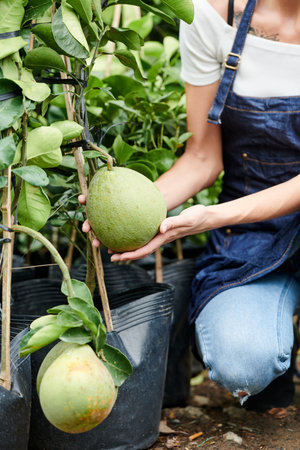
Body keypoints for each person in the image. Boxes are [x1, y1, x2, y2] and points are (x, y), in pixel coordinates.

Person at [80, 0, 300, 413]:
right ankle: (272, 351)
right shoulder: (212, 14)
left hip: (234, 214)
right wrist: (132, 207)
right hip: (254, 235)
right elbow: (203, 158)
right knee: (243, 361)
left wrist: (212, 216)